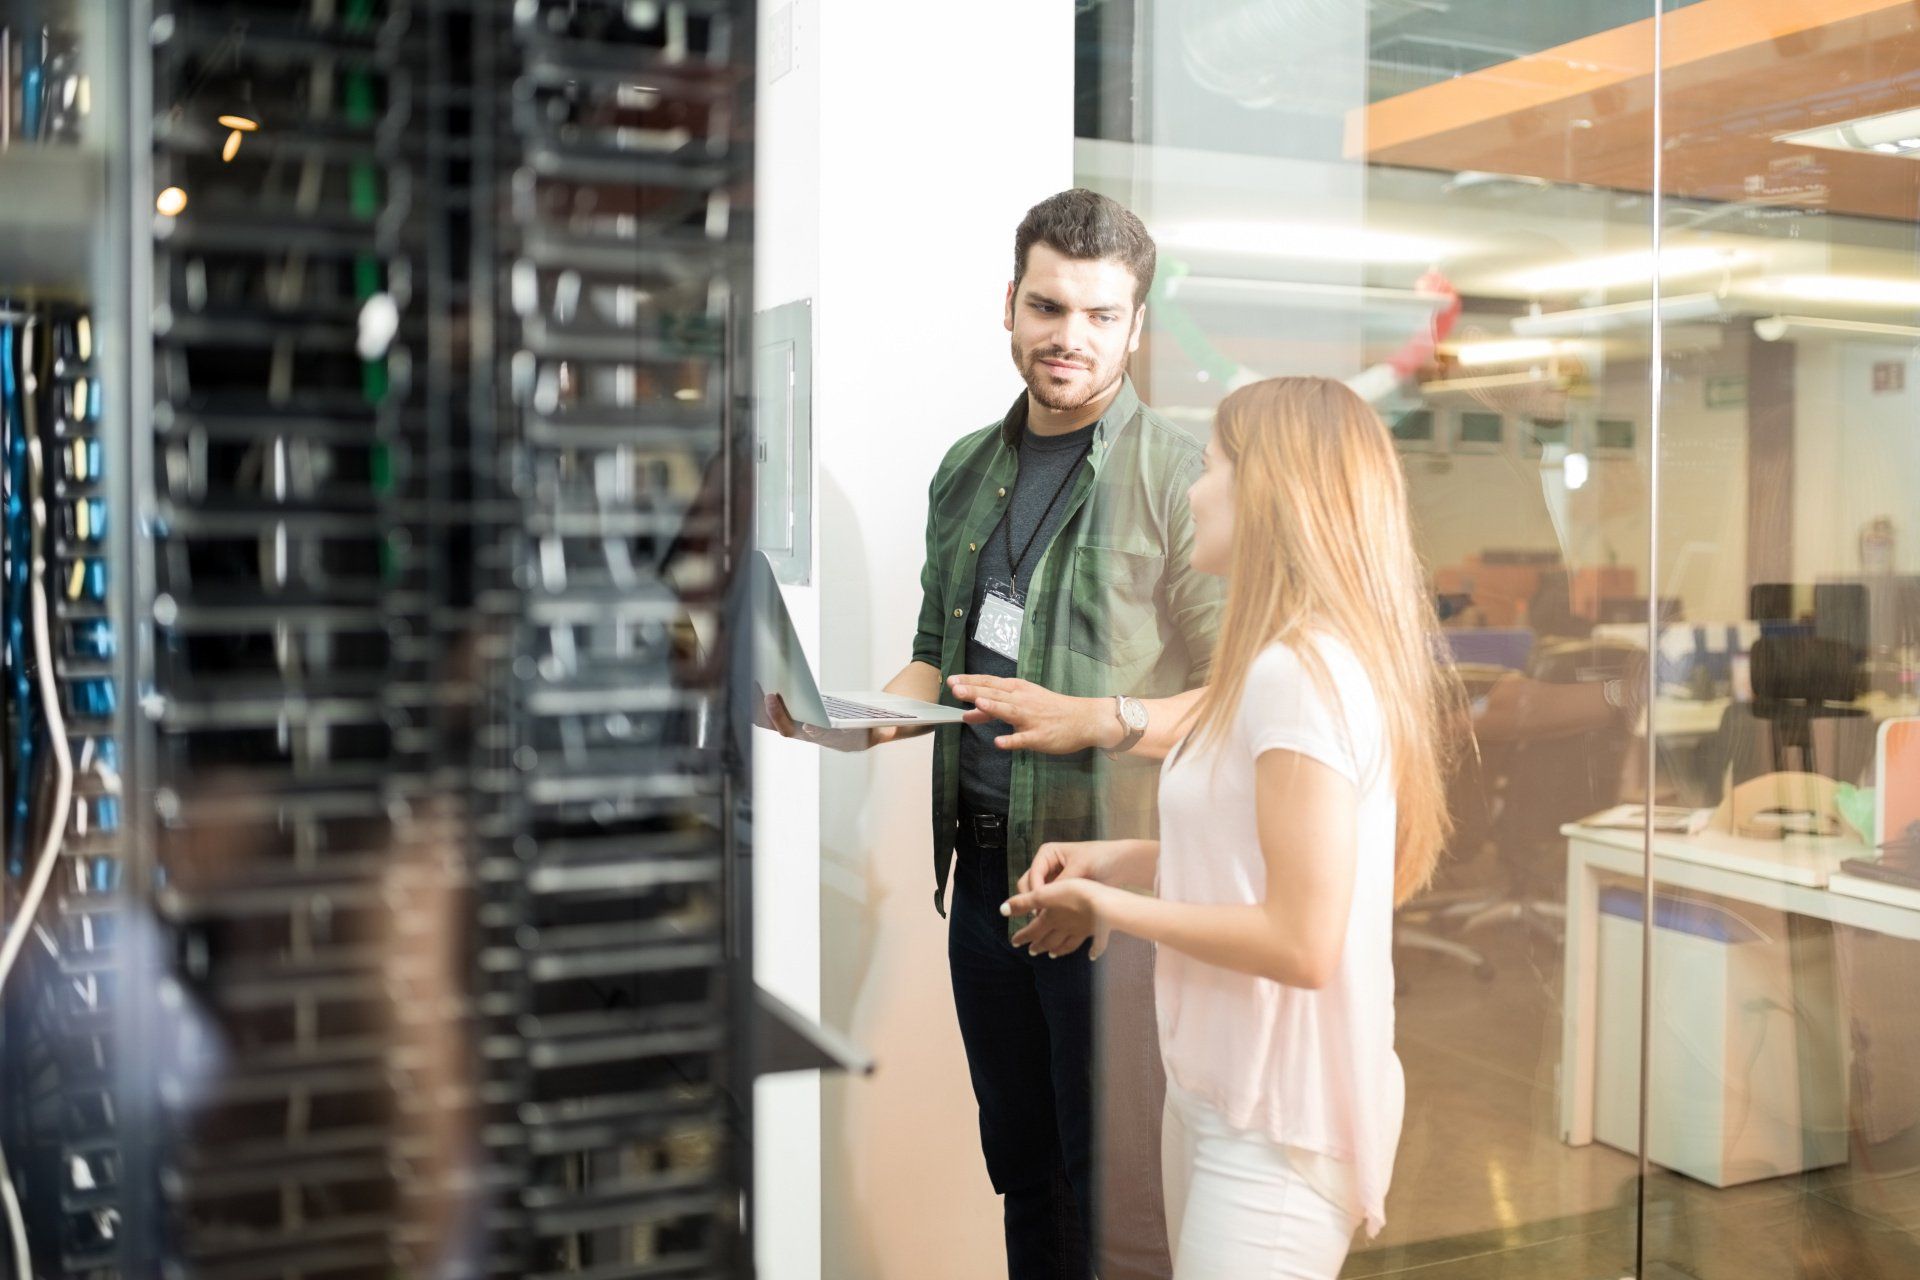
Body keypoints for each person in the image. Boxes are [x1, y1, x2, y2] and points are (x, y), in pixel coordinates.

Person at [762, 189, 1221, 1279]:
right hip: (982, 881)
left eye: (1102, 315)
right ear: (1009, 304)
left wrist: (1104, 718)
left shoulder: (1178, 476)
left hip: (1108, 893)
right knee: (1023, 1167)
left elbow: (1235, 690)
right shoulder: (967, 467)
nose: (1071, 335)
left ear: (1137, 327)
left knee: (1116, 1195)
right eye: (1050, 305)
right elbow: (937, 654)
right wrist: (849, 723)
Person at [1000, 376, 1463, 1278]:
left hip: (1277, 1124)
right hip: (1217, 1091)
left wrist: (1113, 906)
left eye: (1210, 468)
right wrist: (1127, 862)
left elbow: (1301, 940)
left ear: (1267, 493)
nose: (1191, 490)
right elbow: (1261, 861)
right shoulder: (1273, 666)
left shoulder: (1303, 675)